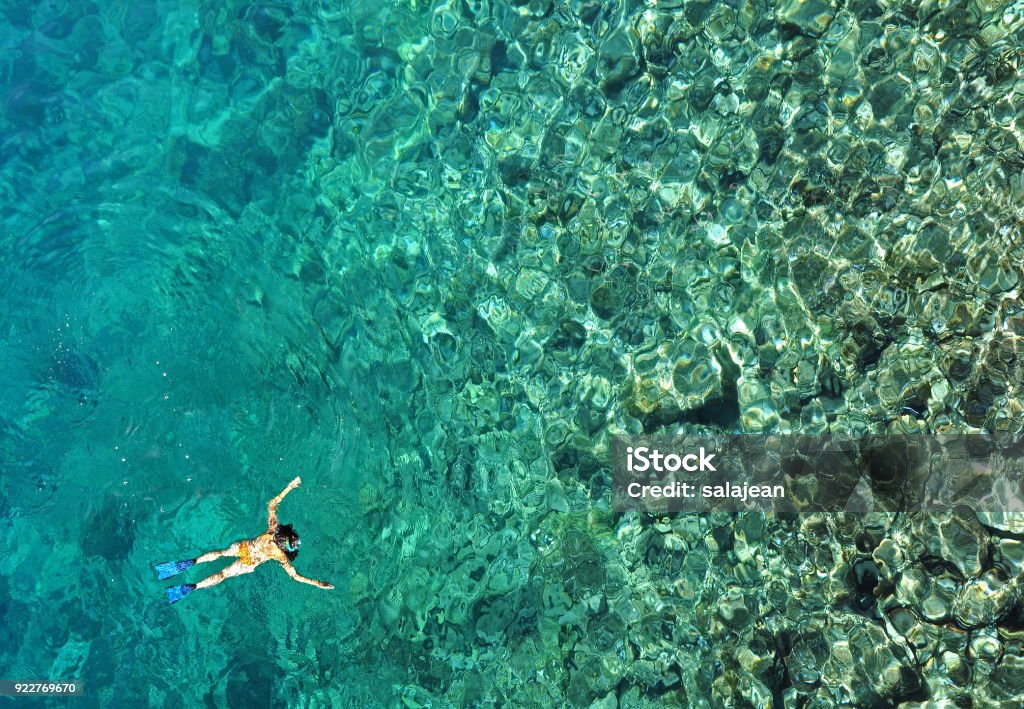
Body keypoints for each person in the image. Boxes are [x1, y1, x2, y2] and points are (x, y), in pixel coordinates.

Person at [154, 476, 333, 603]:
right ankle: (194, 587)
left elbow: (272, 504)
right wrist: (317, 583)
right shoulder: (280, 556)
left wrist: (290, 487)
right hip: (250, 561)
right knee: (223, 575)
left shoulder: (273, 529)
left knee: (222, 553)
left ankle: (193, 562)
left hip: (243, 547)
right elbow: (295, 577)